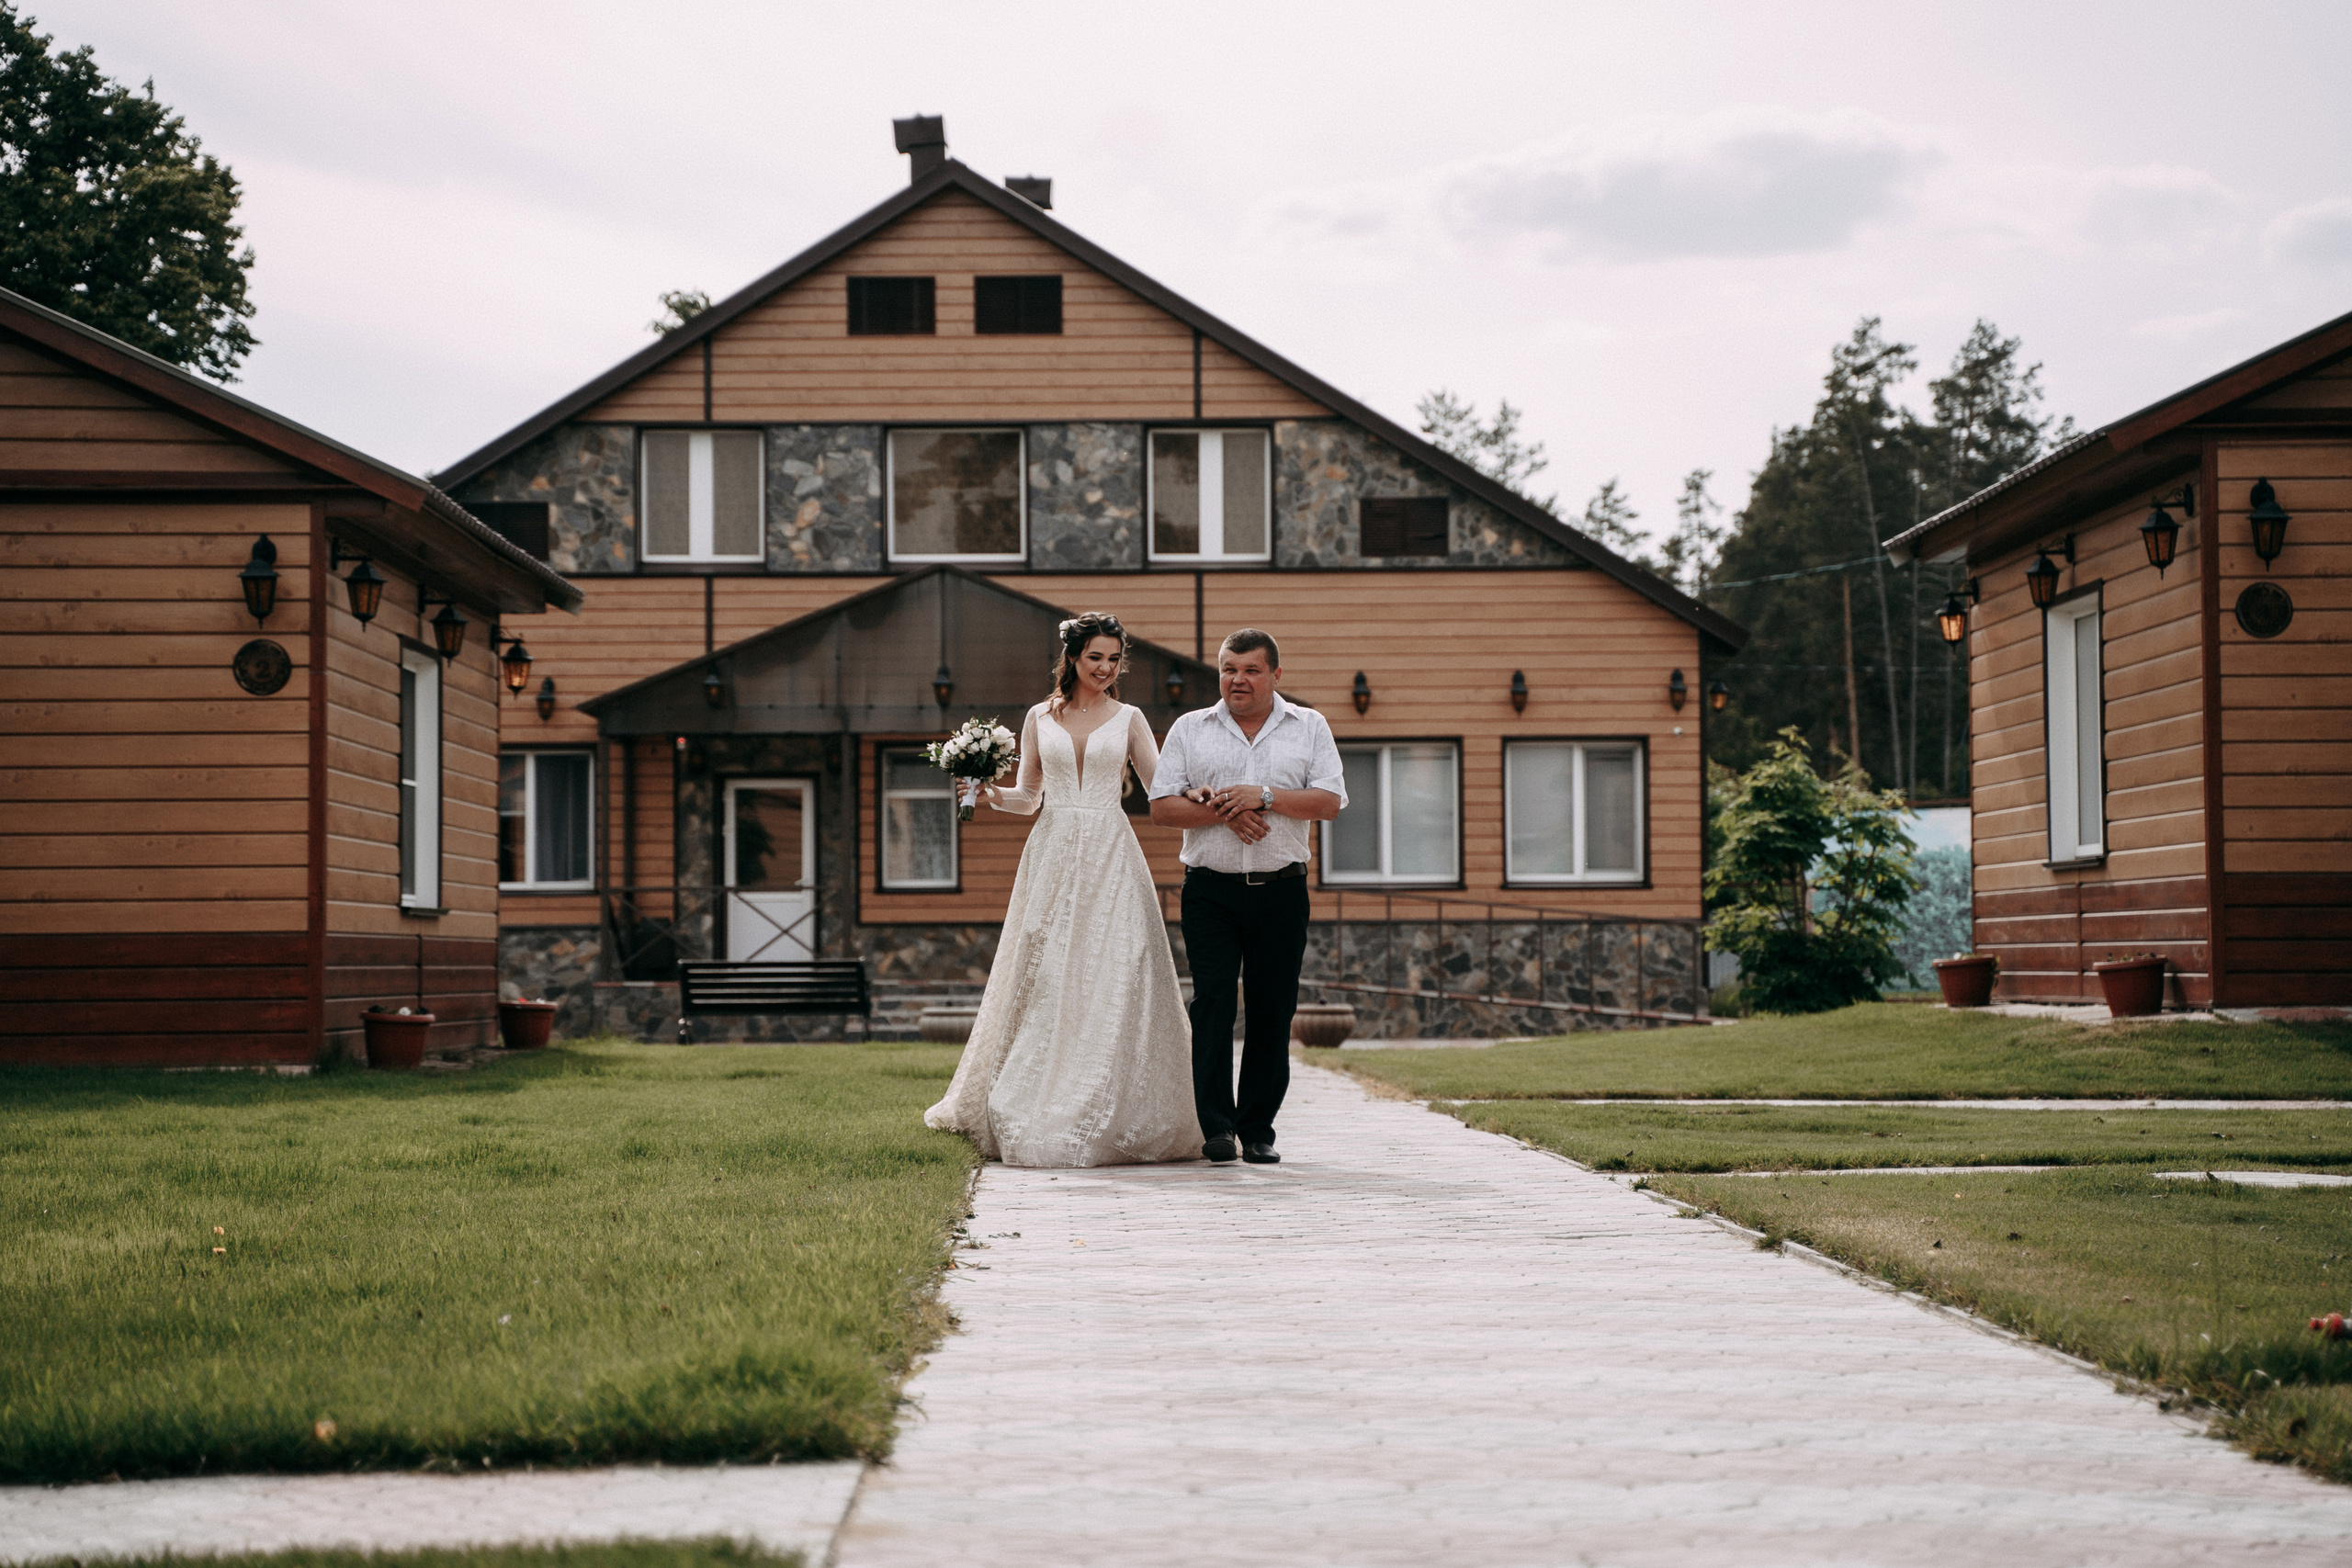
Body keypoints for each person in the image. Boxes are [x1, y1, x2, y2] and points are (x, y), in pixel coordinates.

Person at [922, 613, 1203, 1168]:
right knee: (1046, 968)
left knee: (1116, 965)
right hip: (1051, 851)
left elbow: (1160, 788)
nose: (1105, 668)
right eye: (1095, 657)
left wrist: (1200, 796)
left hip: (1110, 851)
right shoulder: (1038, 717)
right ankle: (1034, 1092)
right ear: (1072, 658)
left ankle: (1112, 1103)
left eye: (1114, 659)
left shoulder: (1130, 719)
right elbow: (1030, 796)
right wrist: (988, 794)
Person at [1148, 629, 1344, 1166]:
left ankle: (1257, 1129)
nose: (1238, 680)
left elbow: (1329, 801)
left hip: (1282, 889)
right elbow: (1162, 808)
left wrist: (1264, 796)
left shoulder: (1310, 726)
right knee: (1212, 1003)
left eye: (1251, 670)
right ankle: (1216, 1127)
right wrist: (1227, 810)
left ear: (1275, 675)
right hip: (1209, 890)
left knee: (1271, 1008)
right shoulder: (1191, 728)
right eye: (1229, 669)